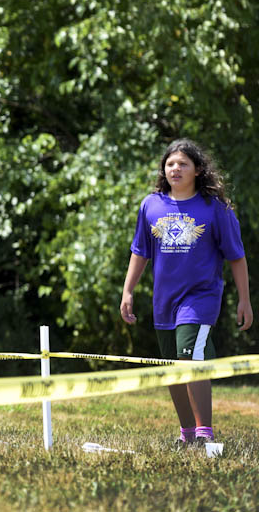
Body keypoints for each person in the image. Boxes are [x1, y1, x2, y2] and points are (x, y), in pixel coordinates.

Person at [120, 138, 253, 446]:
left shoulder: (215, 209)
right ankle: (187, 434)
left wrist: (244, 299)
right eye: (170, 163)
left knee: (190, 355)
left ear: (197, 170)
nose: (175, 168)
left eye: (183, 164)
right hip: (164, 300)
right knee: (172, 367)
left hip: (200, 298)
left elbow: (236, 255)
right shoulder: (151, 205)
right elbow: (140, 251)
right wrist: (128, 291)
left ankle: (205, 432)